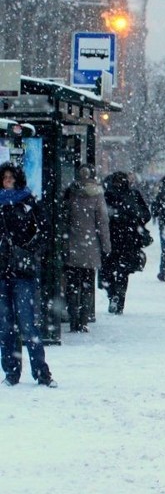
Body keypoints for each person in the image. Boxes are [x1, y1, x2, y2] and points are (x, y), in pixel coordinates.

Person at [0, 162, 55, 387]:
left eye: (11, 177)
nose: (8, 180)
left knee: (27, 323)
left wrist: (30, 249)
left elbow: (44, 231)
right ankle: (11, 372)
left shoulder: (29, 202)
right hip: (3, 270)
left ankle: (41, 371)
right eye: (5, 177)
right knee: (5, 326)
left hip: (22, 270)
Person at [63, 165, 111, 332]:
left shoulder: (71, 193)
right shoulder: (97, 195)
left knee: (72, 285)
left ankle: (73, 319)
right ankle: (84, 319)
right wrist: (106, 246)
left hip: (72, 245)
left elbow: (64, 217)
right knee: (87, 284)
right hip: (90, 248)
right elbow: (102, 222)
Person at [102, 171, 151, 315]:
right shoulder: (133, 194)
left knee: (108, 270)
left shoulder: (108, 195)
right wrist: (136, 221)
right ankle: (119, 299)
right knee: (123, 272)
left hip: (111, 238)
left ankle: (113, 295)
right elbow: (146, 214)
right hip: (129, 239)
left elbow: (101, 216)